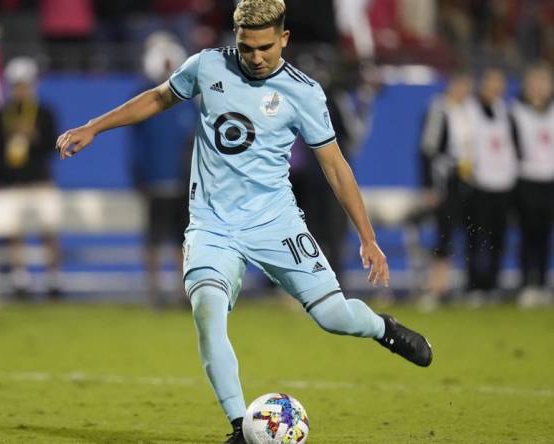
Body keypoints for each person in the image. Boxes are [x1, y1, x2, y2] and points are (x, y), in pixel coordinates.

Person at [55, 1, 432, 442]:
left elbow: (335, 167)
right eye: (247, 47)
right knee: (207, 312)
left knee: (334, 317)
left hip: (276, 223)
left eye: (266, 48)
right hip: (212, 225)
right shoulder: (207, 66)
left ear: (284, 39)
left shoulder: (304, 92)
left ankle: (382, 328)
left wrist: (368, 238)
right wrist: (94, 127)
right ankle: (240, 427)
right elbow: (159, 97)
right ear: (235, 39)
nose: (256, 57)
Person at [0, 57, 63, 299]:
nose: (21, 90)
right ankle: (20, 279)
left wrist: (35, 137)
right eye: (17, 85)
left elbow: (55, 145)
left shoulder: (44, 113)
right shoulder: (0, 115)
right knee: (14, 229)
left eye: (25, 85)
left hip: (39, 180)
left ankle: (53, 278)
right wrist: (5, 172)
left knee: (48, 228)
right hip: (13, 181)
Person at [132, 33, 196, 308]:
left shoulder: (189, 102)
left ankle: (184, 291)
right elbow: (137, 144)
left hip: (182, 181)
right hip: (156, 179)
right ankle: (154, 290)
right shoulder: (144, 99)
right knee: (155, 238)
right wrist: (140, 174)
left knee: (183, 239)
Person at [460, 69, 517, 306]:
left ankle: (493, 283)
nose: (495, 88)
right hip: (480, 183)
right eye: (491, 83)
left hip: (503, 183)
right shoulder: (469, 110)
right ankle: (474, 285)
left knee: (498, 237)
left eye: (499, 84)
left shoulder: (505, 110)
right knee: (476, 237)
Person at [418, 72, 473, 309]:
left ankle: (448, 285)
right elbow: (427, 149)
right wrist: (430, 185)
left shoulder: (467, 110)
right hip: (444, 180)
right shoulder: (439, 108)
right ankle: (435, 285)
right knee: (443, 231)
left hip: (464, 179)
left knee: (456, 230)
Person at [510, 63, 554, 307]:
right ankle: (527, 283)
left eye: (544, 82)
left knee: (545, 235)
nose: (540, 87)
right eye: (535, 82)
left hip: (549, 180)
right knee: (528, 233)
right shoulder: (516, 111)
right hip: (526, 179)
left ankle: (543, 283)